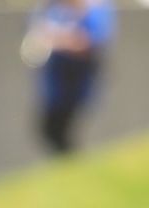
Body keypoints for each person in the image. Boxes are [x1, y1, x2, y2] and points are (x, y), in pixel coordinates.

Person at [23, 0, 114, 154]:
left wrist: (58, 41)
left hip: (78, 84)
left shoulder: (96, 8)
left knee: (60, 131)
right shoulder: (52, 8)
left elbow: (93, 43)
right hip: (55, 86)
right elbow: (35, 28)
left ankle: (76, 167)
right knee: (49, 130)